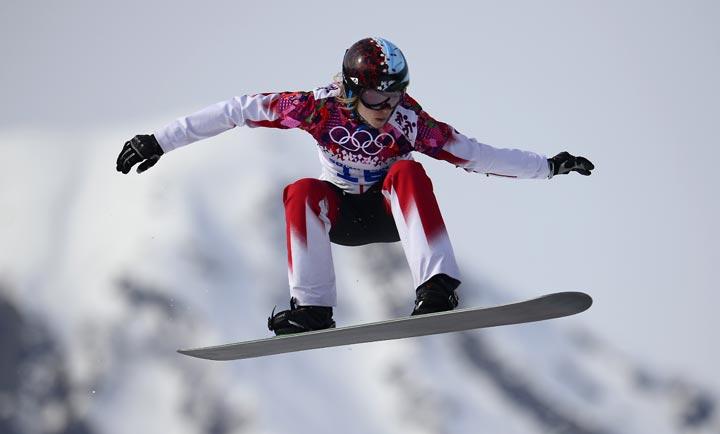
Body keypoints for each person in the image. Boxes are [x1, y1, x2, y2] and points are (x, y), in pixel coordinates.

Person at [116, 37, 594, 336]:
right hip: (340, 216)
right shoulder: (315, 108)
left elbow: (475, 154)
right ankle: (313, 308)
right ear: (350, 88)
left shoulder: (410, 122)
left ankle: (437, 288)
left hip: (389, 213)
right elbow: (236, 109)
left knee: (406, 172)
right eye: (375, 94)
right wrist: (159, 140)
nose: (386, 105)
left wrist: (547, 166)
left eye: (394, 93)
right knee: (301, 189)